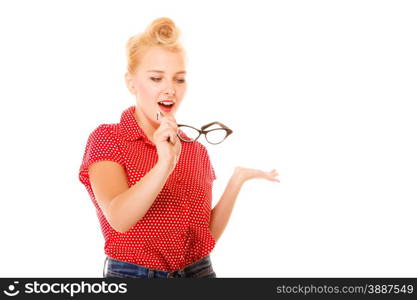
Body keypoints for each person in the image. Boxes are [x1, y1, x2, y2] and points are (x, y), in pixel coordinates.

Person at [78, 17, 280, 278]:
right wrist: (164, 164)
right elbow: (119, 218)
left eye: (179, 79)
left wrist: (237, 181)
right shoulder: (108, 138)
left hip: (199, 273)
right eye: (156, 78)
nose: (170, 89)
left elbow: (203, 237)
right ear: (131, 83)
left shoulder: (196, 150)